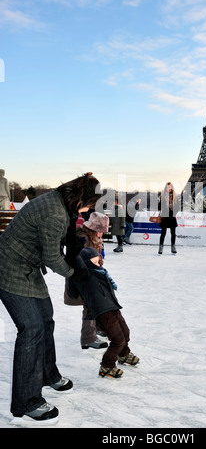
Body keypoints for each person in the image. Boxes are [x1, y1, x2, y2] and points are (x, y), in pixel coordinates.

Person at [0, 172, 102, 425]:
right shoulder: (56, 213)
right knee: (31, 330)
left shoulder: (60, 203)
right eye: (91, 204)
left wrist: (78, 268)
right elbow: (53, 257)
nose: (90, 210)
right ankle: (27, 402)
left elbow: (61, 248)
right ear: (80, 199)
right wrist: (77, 277)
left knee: (46, 320)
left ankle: (48, 374)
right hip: (9, 268)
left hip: (28, 267)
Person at [68, 247, 139, 378]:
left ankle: (123, 355)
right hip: (102, 312)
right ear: (86, 263)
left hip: (113, 308)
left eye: (98, 261)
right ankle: (107, 366)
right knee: (118, 340)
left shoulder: (100, 272)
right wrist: (73, 249)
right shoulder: (85, 275)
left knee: (125, 333)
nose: (99, 264)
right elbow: (78, 265)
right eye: (95, 262)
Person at [64, 211, 110, 350]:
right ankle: (88, 338)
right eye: (100, 231)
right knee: (90, 305)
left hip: (92, 275)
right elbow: (80, 261)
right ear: (93, 228)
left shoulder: (93, 237)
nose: (102, 234)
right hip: (82, 277)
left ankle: (96, 328)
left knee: (97, 302)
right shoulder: (82, 238)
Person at [158, 182, 180, 254]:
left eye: (170, 187)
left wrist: (173, 212)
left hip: (172, 217)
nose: (169, 188)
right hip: (164, 217)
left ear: (172, 188)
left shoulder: (175, 197)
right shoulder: (163, 196)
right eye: (167, 187)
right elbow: (159, 207)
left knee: (173, 233)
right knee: (163, 233)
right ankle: (161, 247)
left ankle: (173, 246)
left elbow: (177, 207)